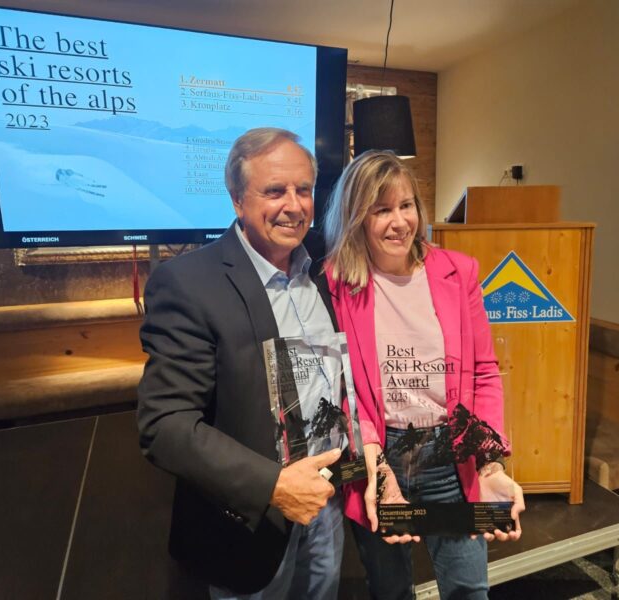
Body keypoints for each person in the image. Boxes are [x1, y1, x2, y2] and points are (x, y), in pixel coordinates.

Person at [137, 128, 344, 599]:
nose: (294, 205)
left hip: (327, 507)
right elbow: (164, 425)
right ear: (236, 200)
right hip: (249, 524)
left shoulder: (324, 273)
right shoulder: (188, 283)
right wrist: (273, 485)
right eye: (274, 191)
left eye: (304, 190)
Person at [322, 150, 526, 599]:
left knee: (469, 589)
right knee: (390, 589)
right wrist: (374, 467)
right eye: (381, 210)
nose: (399, 222)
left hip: (450, 455)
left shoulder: (459, 271)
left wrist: (490, 461)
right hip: (380, 454)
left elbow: (485, 373)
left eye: (406, 205)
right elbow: (340, 388)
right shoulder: (335, 282)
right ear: (356, 217)